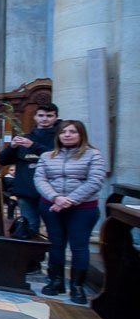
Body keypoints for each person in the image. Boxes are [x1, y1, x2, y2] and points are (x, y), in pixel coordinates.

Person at [34, 120, 107, 303]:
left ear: (81, 134)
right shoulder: (47, 156)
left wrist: (71, 200)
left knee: (79, 246)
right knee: (56, 244)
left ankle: (77, 286)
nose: (67, 135)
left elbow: (95, 181)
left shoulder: (93, 155)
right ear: (58, 135)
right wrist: (56, 198)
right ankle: (56, 281)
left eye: (72, 131)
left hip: (82, 208)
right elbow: (40, 179)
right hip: (52, 205)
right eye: (63, 132)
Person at [0, 104, 59, 237]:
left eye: (49, 116)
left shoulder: (59, 138)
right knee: (29, 227)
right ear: (35, 117)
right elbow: (2, 161)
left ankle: (55, 257)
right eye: (41, 115)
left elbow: (58, 157)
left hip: (51, 192)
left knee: (54, 230)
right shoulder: (28, 136)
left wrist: (33, 146)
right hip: (26, 190)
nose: (44, 119)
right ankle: (32, 257)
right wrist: (12, 147)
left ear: (56, 117)